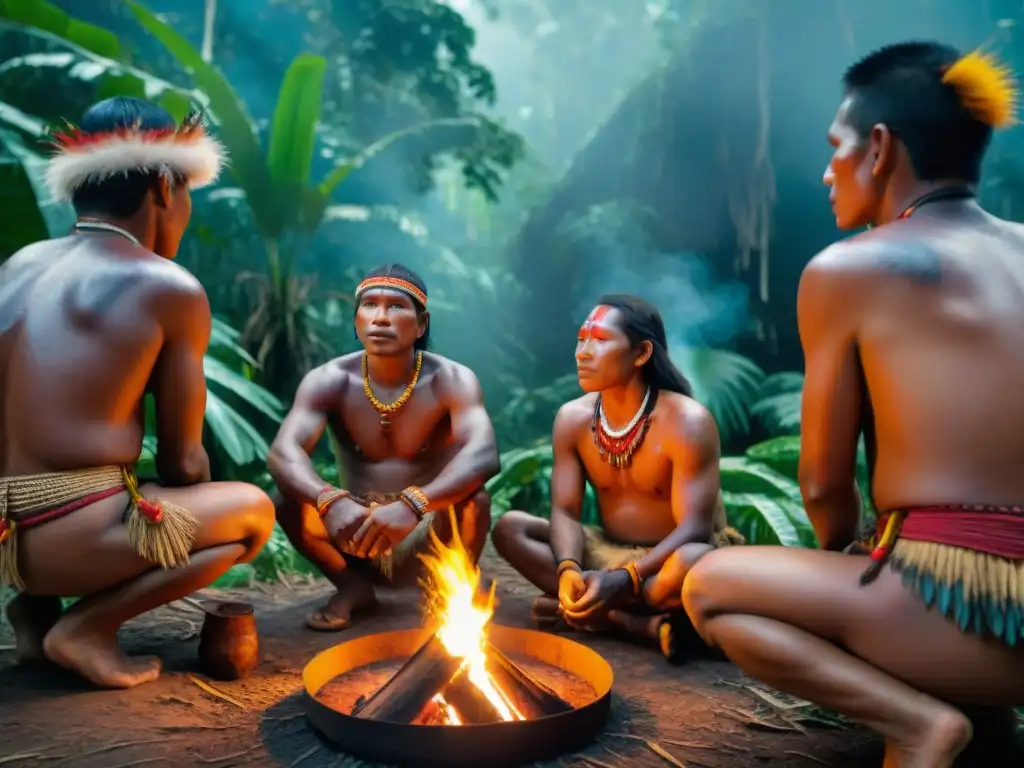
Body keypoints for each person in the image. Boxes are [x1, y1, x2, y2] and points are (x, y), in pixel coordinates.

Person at [681, 43, 1024, 767]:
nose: (826, 171)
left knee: (710, 585)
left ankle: (919, 724)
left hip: (967, 616)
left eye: (835, 148)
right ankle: (976, 712)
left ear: (878, 147)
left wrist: (845, 560)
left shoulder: (849, 270)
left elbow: (823, 485)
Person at [0, 97, 276, 689]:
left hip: (5, 539)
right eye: (188, 193)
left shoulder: (20, 263)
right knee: (251, 512)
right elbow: (183, 463)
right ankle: (86, 629)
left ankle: (31, 613)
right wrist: (173, 504)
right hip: (67, 540)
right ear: (161, 185)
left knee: (119, 488)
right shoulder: (166, 286)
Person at [492, 294, 743, 660]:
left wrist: (626, 579)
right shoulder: (572, 419)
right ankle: (635, 623)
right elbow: (565, 512)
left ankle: (604, 612)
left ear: (641, 354)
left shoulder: (688, 421)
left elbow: (694, 529)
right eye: (581, 339)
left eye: (600, 340)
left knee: (694, 562)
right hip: (607, 553)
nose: (583, 351)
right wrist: (567, 571)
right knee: (511, 528)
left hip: (667, 564)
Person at [267, 263, 499, 631]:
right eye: (370, 305)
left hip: (425, 529)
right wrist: (329, 499)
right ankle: (353, 587)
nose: (381, 318)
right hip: (355, 532)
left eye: (396, 306)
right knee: (285, 499)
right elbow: (284, 452)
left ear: (421, 324)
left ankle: (451, 591)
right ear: (357, 322)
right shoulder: (329, 380)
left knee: (475, 501)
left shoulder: (452, 380)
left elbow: (483, 454)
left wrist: (413, 504)